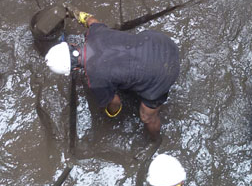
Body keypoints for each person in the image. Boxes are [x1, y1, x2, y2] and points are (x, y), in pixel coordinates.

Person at [44, 12, 179, 138]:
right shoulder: (94, 32)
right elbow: (91, 20)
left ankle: (155, 139)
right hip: (162, 43)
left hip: (163, 73)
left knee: (147, 117)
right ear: (71, 44)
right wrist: (78, 15)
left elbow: (115, 102)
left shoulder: (95, 80)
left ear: (73, 70)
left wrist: (111, 113)